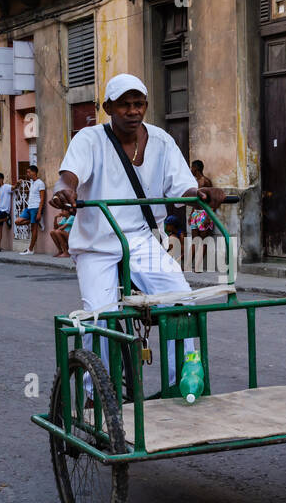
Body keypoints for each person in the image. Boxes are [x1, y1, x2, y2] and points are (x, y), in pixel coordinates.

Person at [50, 73, 226, 389]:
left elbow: (183, 187)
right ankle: (97, 393)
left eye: (138, 104)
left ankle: (183, 383)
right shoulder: (89, 140)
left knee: (181, 302)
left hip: (142, 239)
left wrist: (200, 196)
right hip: (97, 243)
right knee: (100, 317)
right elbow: (68, 176)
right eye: (124, 106)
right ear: (107, 107)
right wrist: (66, 191)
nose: (132, 111)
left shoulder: (161, 140)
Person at [18, 164, 46, 255]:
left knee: (34, 229)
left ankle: (30, 249)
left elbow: (42, 198)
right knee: (18, 221)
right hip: (29, 207)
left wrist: (39, 212)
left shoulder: (40, 183)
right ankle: (35, 220)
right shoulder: (32, 182)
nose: (27, 173)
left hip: (36, 207)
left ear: (34, 172)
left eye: (29, 172)